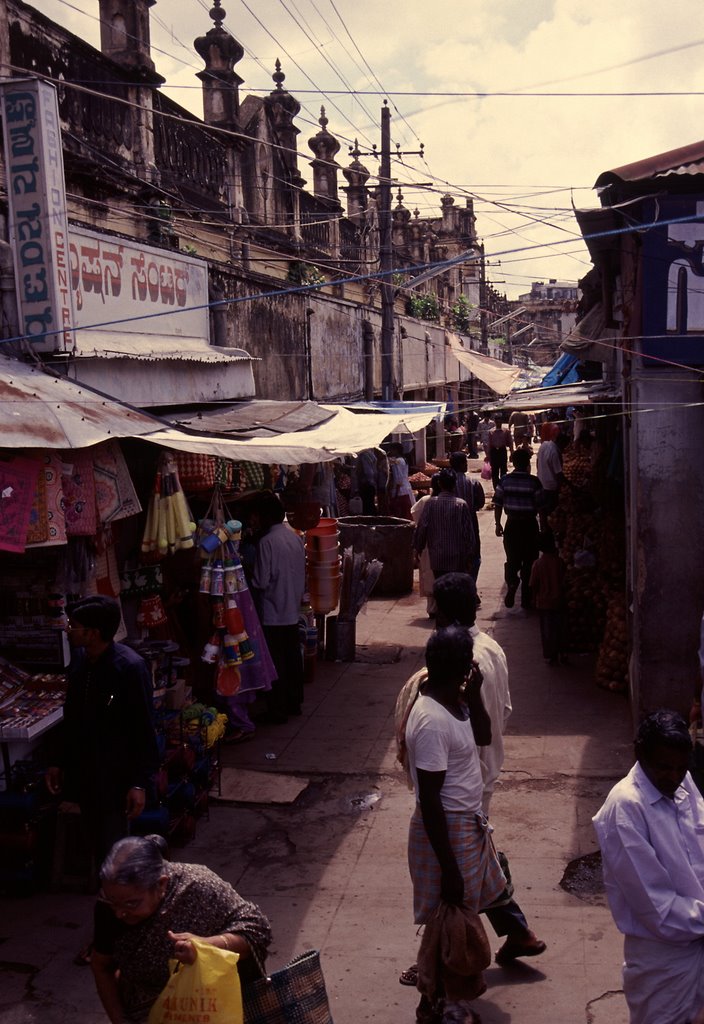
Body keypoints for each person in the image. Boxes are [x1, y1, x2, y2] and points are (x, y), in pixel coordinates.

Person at [396, 574, 545, 993]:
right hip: (476, 778)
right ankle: (514, 934)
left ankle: (446, 969)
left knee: (463, 886)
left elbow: (431, 793)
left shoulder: (449, 674)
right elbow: (505, 711)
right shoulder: (491, 650)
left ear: (443, 612)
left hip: (464, 788)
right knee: (479, 871)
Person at [405, 626, 507, 1024]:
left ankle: (437, 997)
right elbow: (429, 801)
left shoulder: (457, 701)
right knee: (450, 921)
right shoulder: (430, 720)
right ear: (462, 667)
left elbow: (483, 734)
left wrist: (475, 692)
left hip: (468, 823)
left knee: (456, 915)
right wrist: (448, 866)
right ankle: (444, 1002)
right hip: (445, 830)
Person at [593, 710, 704, 1024]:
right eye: (664, 768)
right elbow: (659, 911)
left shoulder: (681, 783)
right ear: (639, 754)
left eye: (682, 768)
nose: (673, 776)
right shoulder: (625, 808)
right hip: (664, 962)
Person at [91, 834, 272, 1024]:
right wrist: (120, 1021)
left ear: (161, 884)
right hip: (145, 1009)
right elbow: (101, 965)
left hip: (212, 1007)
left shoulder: (199, 887)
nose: (119, 914)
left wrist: (206, 946)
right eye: (114, 904)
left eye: (131, 904)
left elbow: (258, 931)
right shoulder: (109, 905)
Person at [46, 596, 159, 866]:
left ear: (93, 633)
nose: (67, 630)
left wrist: (138, 782)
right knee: (98, 844)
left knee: (115, 849)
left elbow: (143, 728)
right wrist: (58, 762)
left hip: (116, 778)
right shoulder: (82, 664)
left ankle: (117, 902)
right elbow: (72, 717)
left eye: (73, 626)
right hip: (87, 774)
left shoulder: (129, 667)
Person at [251, 492, 306, 723]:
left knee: (276, 661)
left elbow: (260, 581)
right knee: (292, 658)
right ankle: (294, 703)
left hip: (273, 612)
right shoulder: (294, 537)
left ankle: (278, 709)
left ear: (264, 517)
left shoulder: (266, 543)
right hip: (292, 609)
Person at [494, 448, 544, 610]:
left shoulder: (504, 480)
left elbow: (498, 504)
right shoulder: (534, 482)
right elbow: (541, 507)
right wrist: (543, 529)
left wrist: (497, 524)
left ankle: (512, 582)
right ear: (527, 464)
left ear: (513, 463)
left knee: (512, 559)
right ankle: (526, 599)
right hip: (529, 525)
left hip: (512, 525)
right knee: (529, 561)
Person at [413, 468, 476, 581]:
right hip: (457, 557)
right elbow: (469, 534)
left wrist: (418, 548)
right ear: (454, 484)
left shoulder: (430, 504)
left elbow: (422, 528)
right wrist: (470, 555)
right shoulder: (461, 505)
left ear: (439, 483)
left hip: (437, 557)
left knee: (441, 586)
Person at [529, 530, 567, 665]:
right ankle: (562, 652)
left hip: (544, 603)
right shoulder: (560, 562)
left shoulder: (538, 564)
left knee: (547, 630)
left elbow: (534, 584)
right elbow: (565, 581)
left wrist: (534, 599)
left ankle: (552, 655)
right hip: (559, 601)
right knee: (561, 628)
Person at [449, 451, 485, 585]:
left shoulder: (446, 482)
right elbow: (480, 503)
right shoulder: (473, 483)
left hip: (450, 522)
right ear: (462, 464)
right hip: (470, 522)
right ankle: (470, 585)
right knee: (474, 555)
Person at [411, 473, 442, 617]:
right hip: (443, 543)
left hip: (428, 545)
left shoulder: (425, 501)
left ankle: (432, 609)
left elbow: (415, 517)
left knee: (429, 575)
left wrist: (417, 547)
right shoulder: (449, 501)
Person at [535, 422, 566, 527]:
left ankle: (544, 531)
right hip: (551, 488)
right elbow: (558, 473)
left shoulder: (543, 445)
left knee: (543, 513)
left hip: (541, 484)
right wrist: (566, 487)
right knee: (552, 515)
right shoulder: (555, 451)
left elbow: (537, 463)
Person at [484, 417, 513, 494]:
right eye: (497, 421)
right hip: (494, 452)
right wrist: (488, 455)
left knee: (503, 471)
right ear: (495, 422)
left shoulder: (506, 431)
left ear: (502, 422)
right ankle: (496, 489)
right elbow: (489, 444)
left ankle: (503, 488)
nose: (499, 422)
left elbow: (510, 442)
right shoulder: (491, 431)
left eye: (500, 421)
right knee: (495, 472)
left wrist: (512, 453)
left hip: (502, 451)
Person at [387, 442, 415, 520]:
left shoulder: (398, 461)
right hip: (406, 489)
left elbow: (398, 478)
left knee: (401, 515)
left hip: (400, 491)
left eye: (391, 450)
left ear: (396, 450)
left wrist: (395, 494)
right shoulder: (403, 459)